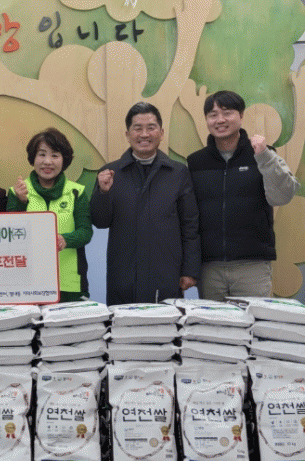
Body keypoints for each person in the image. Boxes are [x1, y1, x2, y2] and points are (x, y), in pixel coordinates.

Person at [187, 90, 300, 300]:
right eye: (213, 115)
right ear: (206, 120)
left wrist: (264, 157)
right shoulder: (196, 162)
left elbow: (282, 196)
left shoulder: (263, 154)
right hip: (209, 268)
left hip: (252, 266)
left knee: (254, 318)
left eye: (227, 112)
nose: (220, 120)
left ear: (241, 115)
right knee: (212, 321)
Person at [90, 102, 200, 305]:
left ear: (161, 133)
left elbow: (190, 225)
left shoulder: (178, 173)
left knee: (166, 323)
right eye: (137, 128)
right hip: (123, 274)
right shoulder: (111, 173)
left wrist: (190, 270)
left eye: (151, 127)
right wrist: (103, 192)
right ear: (127, 134)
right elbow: (100, 221)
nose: (144, 134)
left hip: (166, 273)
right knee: (123, 323)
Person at [7, 127, 92, 302]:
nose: (47, 162)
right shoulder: (18, 192)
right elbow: (11, 235)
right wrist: (20, 202)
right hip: (29, 283)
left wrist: (66, 239)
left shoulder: (76, 192)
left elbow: (86, 231)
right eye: (42, 154)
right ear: (33, 158)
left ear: (64, 160)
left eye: (55, 155)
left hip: (70, 283)